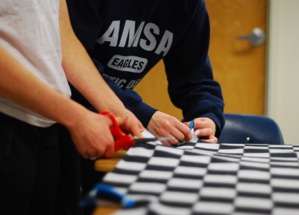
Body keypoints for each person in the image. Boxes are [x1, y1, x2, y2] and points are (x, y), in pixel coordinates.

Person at [59, 1, 225, 214]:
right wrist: (145, 115)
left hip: (112, 129)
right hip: (60, 116)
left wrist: (207, 116)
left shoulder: (189, 6)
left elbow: (196, 79)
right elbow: (74, 65)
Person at [0, 0, 143, 214]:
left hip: (50, 126)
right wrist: (76, 117)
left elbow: (63, 38)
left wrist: (118, 111)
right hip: (8, 121)